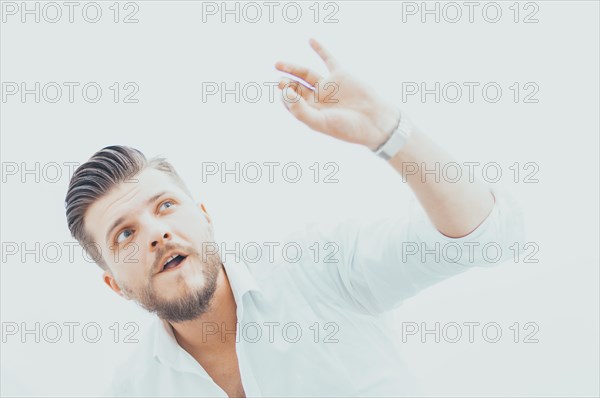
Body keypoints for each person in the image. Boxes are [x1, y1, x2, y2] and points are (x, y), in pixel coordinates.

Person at [64, 38, 524, 397]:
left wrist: (389, 132)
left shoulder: (320, 271)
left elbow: (485, 238)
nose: (156, 232)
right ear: (115, 285)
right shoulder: (134, 390)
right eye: (124, 234)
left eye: (165, 205)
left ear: (204, 217)